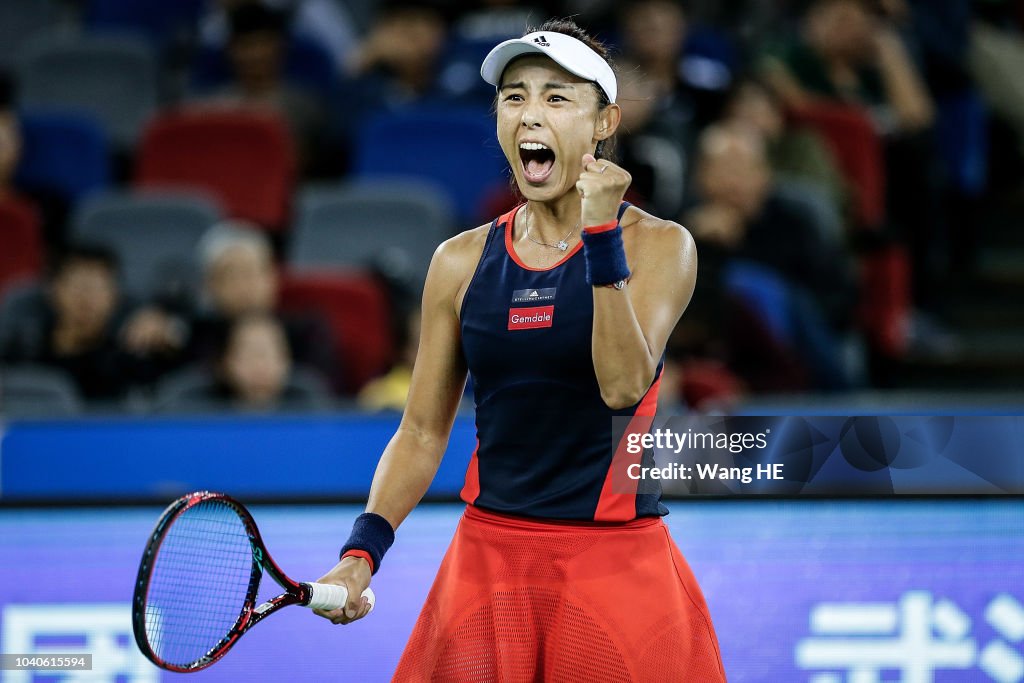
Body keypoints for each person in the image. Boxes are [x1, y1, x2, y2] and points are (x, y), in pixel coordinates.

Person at [314, 18, 726, 681]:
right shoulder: (458, 261)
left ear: (604, 122)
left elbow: (622, 384)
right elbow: (421, 431)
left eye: (557, 97)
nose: (530, 113)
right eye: (514, 96)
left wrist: (599, 237)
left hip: (615, 564)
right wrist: (362, 551)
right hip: (488, 559)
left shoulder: (660, 245)